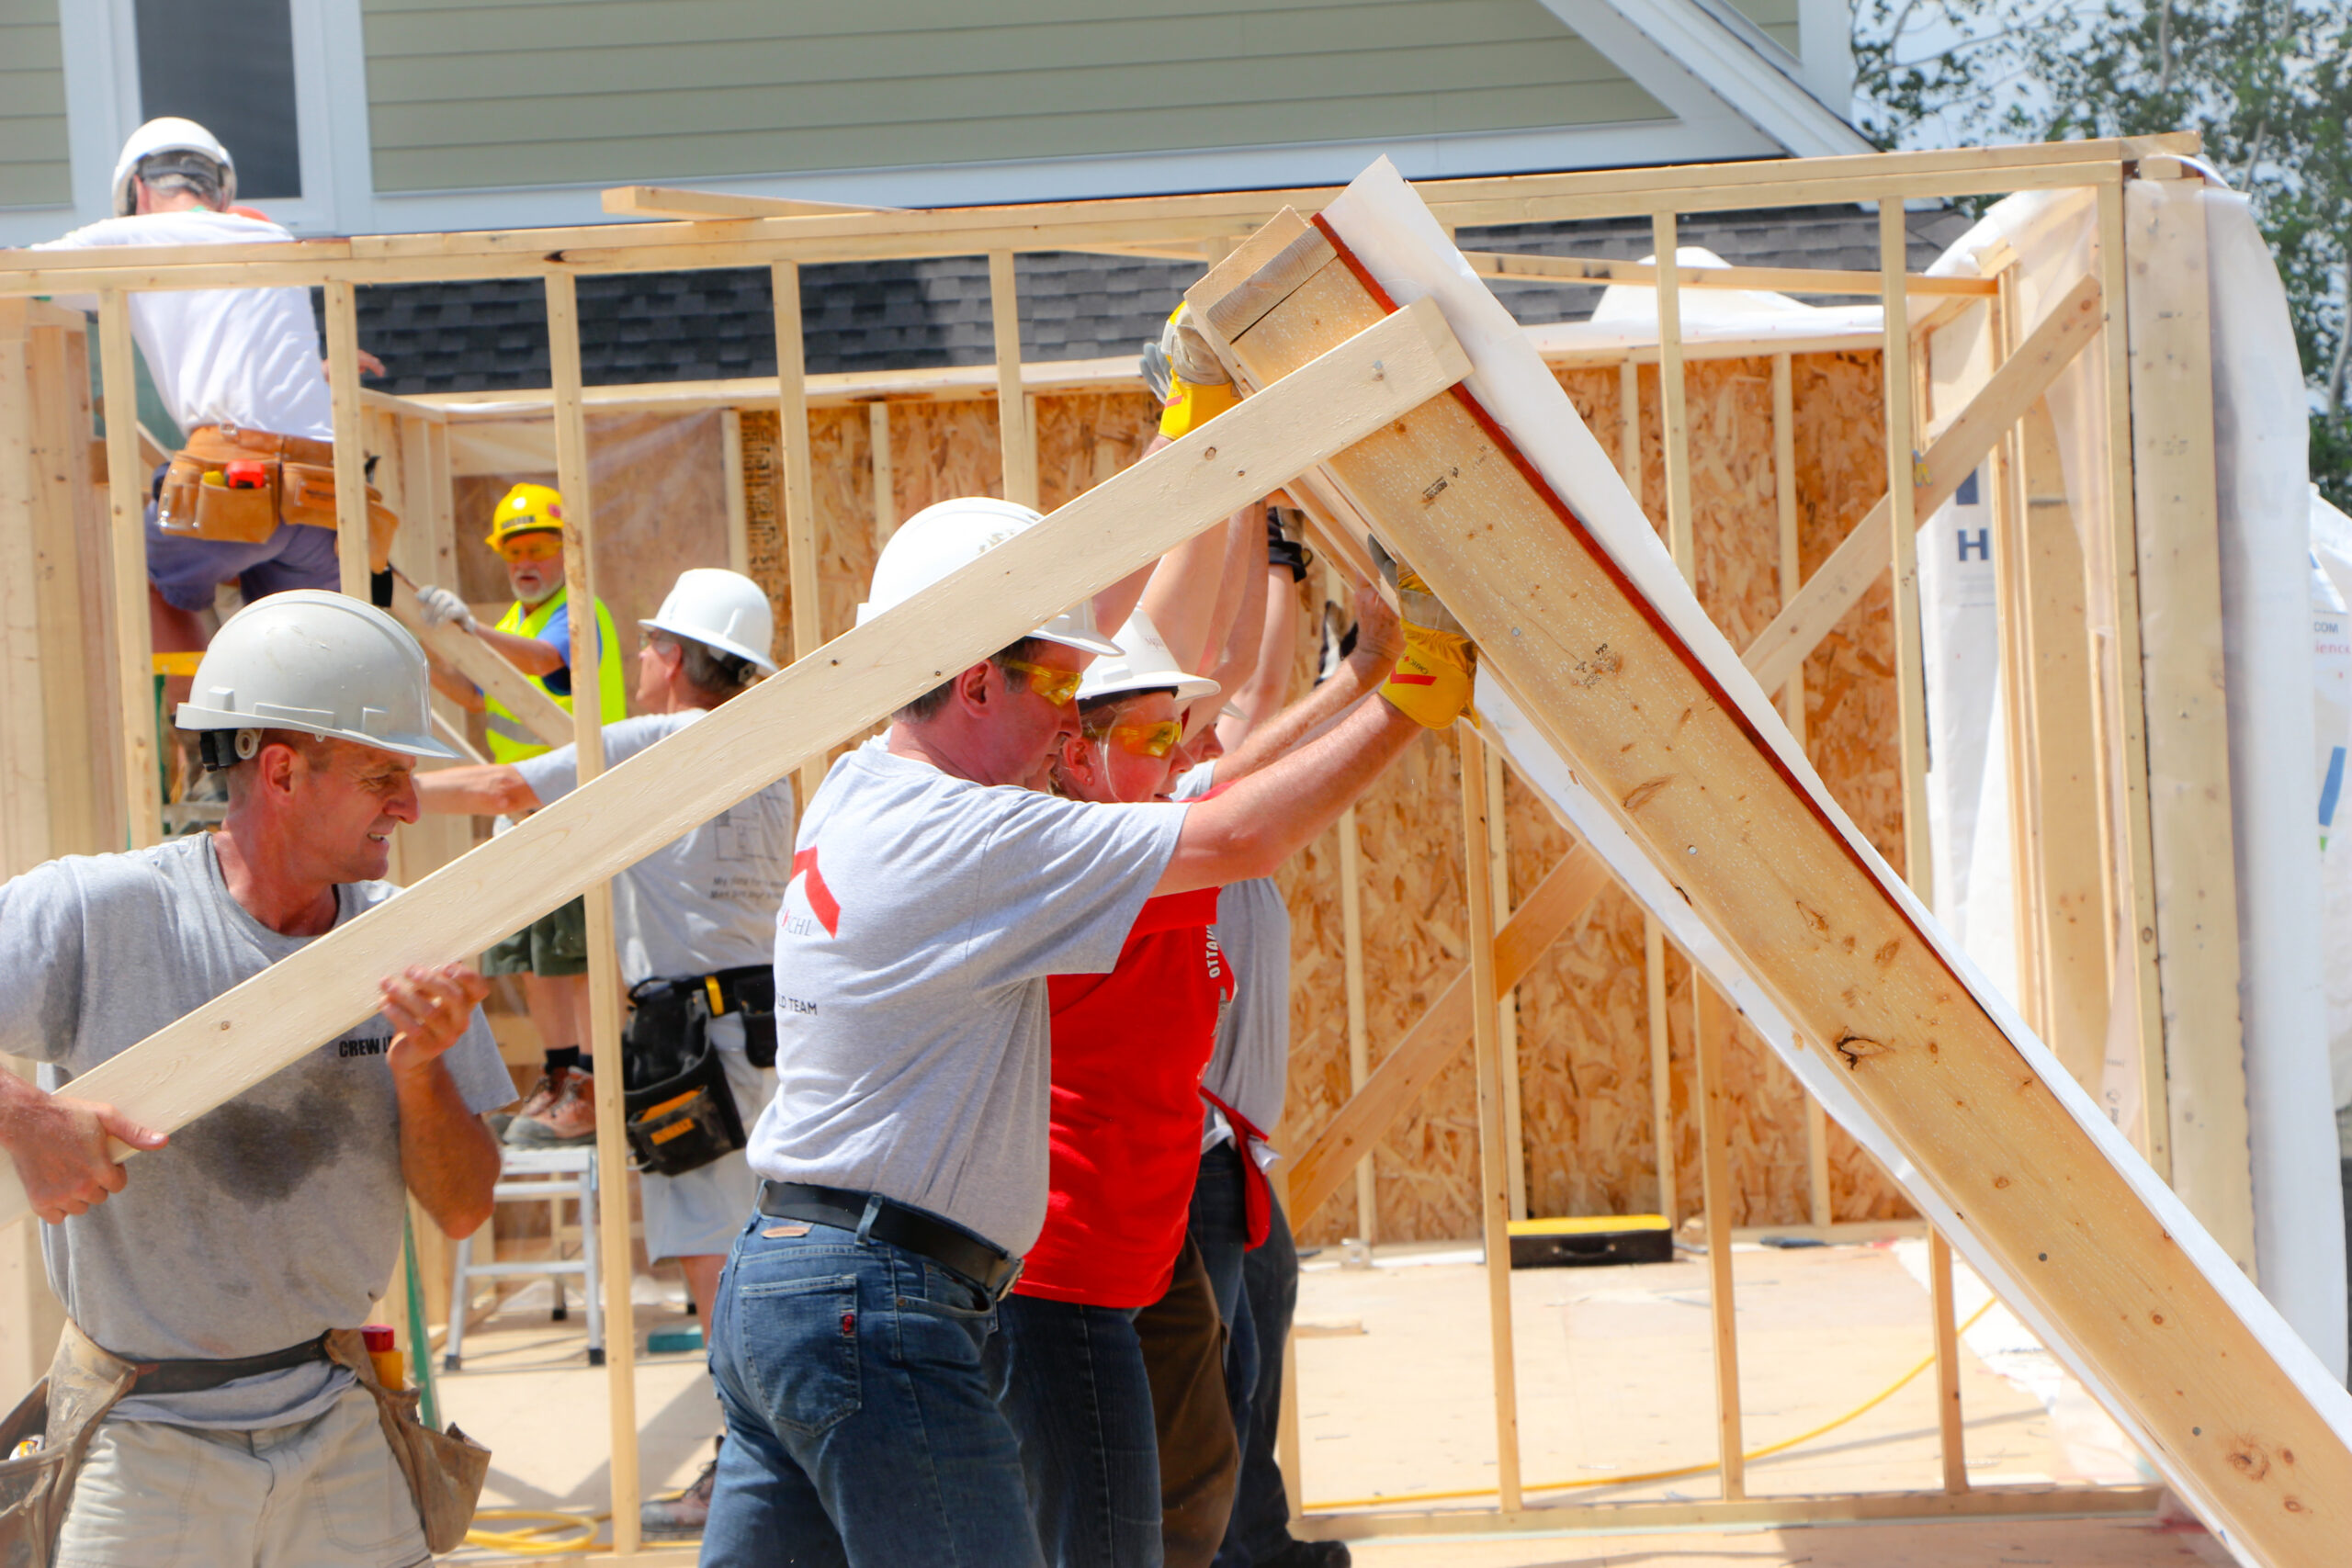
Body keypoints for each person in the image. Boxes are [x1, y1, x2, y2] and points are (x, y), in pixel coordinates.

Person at [699, 495, 1475, 1566]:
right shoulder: (964, 835)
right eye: (1058, 689)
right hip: (876, 1299)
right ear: (975, 682)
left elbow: (1181, 716)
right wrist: (1411, 701)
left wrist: (1202, 465)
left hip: (796, 1279)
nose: (1075, 723)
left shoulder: (863, 789)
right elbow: (1241, 827)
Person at [0, 590, 512, 1566]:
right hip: (142, 1434)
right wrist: (22, 1110)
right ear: (282, 770)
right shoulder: (102, 915)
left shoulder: (400, 942)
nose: (409, 804)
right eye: (382, 775)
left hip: (338, 1420)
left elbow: (461, 1208)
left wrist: (421, 1075)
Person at [414, 568, 791, 1540]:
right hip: (756, 1030)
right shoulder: (764, 751)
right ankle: (762, 1457)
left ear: (670, 659)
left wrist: (378, 784)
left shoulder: (658, 741)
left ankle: (745, 1468)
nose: (646, 659)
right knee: (746, 1244)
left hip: (693, 1044)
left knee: (715, 1261)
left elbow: (505, 786)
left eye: (654, 646)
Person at [989, 612, 1240, 1568]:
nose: (1178, 758)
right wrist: (1380, 690)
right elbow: (1255, 810)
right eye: (1149, 737)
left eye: (1177, 733)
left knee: (1190, 1489)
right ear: (1075, 756)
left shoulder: (1139, 836)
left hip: (1150, 1224)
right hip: (1065, 1255)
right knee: (1102, 1529)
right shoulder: (1082, 863)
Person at [1186, 567, 1406, 1568]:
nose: (1206, 735)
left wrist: (1276, 565)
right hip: (1194, 1155)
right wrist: (1366, 671)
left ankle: (1254, 1542)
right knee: (1221, 1373)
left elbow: (1254, 702)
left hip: (1233, 1152)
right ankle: (1249, 1551)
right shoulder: (1186, 823)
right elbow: (1254, 709)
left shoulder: (1216, 823)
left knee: (1256, 1333)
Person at [26, 119, 393, 671]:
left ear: (138, 192)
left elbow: (25, 276)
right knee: (306, 669)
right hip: (325, 494)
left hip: (233, 481)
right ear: (221, 191)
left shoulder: (124, 240)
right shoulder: (271, 238)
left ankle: (199, 738)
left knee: (143, 570)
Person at [412, 481, 628, 1147]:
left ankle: (593, 1086)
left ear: (565, 552)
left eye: (538, 547)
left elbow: (548, 662)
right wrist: (421, 651)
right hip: (525, 811)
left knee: (582, 952)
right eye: (514, 551)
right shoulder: (518, 619)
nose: (525, 562)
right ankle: (560, 1075)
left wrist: (472, 631)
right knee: (534, 953)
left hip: (577, 803)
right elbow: (477, 695)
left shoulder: (575, 611)